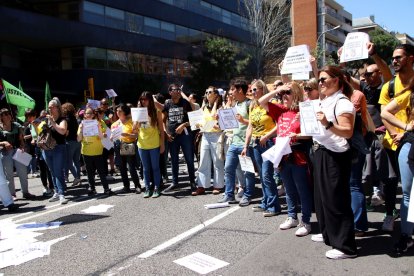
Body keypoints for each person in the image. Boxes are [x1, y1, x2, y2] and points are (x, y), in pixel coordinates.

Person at [311, 66, 357, 259]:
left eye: (324, 79)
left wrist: (327, 124)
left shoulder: (343, 102)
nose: (320, 83)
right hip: (322, 151)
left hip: (336, 154)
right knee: (322, 199)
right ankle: (329, 234)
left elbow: (347, 131)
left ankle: (346, 247)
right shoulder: (327, 100)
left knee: (336, 199)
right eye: (319, 80)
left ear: (337, 80)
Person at [259, 81, 313, 234]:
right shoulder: (280, 110)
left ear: (296, 94)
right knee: (288, 189)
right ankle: (292, 216)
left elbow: (311, 134)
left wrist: (297, 135)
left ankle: (306, 221)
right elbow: (261, 101)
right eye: (282, 94)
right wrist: (279, 89)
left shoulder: (303, 110)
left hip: (298, 154)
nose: (283, 96)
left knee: (302, 189)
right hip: (282, 155)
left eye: (287, 93)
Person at [378, 44, 414, 232]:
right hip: (392, 143)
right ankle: (390, 214)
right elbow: (385, 112)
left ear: (410, 58)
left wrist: (406, 133)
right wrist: (396, 133)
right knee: (391, 182)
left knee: (410, 189)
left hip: (408, 140)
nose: (395, 61)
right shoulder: (389, 86)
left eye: (399, 57)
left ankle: (409, 224)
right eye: (393, 58)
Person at [242, 79, 280, 216]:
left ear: (262, 90)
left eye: (255, 90)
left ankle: (274, 206)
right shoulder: (252, 105)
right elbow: (250, 127)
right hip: (256, 143)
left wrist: (267, 136)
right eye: (251, 90)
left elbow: (279, 124)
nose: (252, 92)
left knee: (266, 174)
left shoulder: (272, 104)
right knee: (263, 177)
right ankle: (265, 202)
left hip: (268, 143)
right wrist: (246, 146)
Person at [218, 79, 255, 206]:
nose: (231, 92)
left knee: (247, 172)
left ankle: (248, 195)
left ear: (240, 90)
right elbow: (228, 124)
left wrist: (243, 120)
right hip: (234, 143)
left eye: (233, 89)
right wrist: (221, 119)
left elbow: (253, 123)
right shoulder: (235, 105)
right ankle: (229, 195)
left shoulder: (249, 104)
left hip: (246, 144)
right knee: (228, 169)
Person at [162, 83, 196, 193]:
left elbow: (193, 119)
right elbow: (163, 120)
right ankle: (175, 183)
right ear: (170, 92)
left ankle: (192, 182)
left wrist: (183, 125)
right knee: (174, 160)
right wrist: (166, 133)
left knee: (189, 159)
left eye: (179, 90)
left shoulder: (185, 103)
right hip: (172, 137)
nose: (178, 91)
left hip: (185, 135)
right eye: (175, 90)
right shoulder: (167, 103)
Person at [192, 87, 224, 196]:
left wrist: (215, 104)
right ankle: (201, 186)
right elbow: (199, 119)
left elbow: (213, 117)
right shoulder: (204, 106)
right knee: (203, 161)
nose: (207, 94)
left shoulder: (221, 107)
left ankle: (218, 185)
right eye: (206, 92)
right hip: (205, 135)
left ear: (216, 94)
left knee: (217, 161)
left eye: (209, 92)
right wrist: (197, 123)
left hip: (216, 135)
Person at [77, 107, 113, 196]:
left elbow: (101, 137)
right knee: (90, 172)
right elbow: (78, 139)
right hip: (86, 152)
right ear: (84, 115)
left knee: (101, 171)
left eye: (90, 113)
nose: (88, 115)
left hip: (97, 151)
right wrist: (81, 129)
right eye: (86, 114)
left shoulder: (98, 123)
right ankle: (92, 188)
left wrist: (98, 128)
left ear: (93, 115)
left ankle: (106, 188)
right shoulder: (81, 124)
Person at [135, 92, 165, 198]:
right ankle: (147, 188)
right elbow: (135, 129)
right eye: (142, 99)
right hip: (142, 144)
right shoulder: (137, 112)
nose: (143, 101)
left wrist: (162, 144)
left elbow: (161, 130)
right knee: (146, 168)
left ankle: (157, 187)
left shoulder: (157, 112)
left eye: (146, 99)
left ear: (150, 100)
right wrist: (137, 116)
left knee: (155, 167)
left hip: (154, 144)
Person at [0, 108, 35, 199]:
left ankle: (26, 192)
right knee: (9, 174)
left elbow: (21, 139)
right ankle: (12, 194)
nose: (7, 116)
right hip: (5, 153)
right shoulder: (0, 127)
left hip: (17, 151)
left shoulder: (16, 125)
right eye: (4, 114)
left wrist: (23, 146)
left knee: (22, 172)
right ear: (1, 117)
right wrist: (3, 143)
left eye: (8, 114)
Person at [111, 104, 141, 193]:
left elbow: (137, 135)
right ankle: (126, 186)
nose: (117, 112)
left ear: (125, 112)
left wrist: (128, 135)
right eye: (117, 111)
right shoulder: (114, 124)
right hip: (118, 145)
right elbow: (113, 136)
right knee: (122, 167)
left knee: (131, 167)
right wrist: (111, 138)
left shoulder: (131, 122)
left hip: (129, 145)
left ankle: (137, 185)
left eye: (120, 111)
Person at [44, 97, 69, 204]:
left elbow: (63, 131)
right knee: (52, 172)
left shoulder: (62, 120)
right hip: (46, 149)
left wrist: (53, 122)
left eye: (52, 107)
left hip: (58, 148)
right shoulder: (46, 119)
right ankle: (57, 192)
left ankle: (62, 194)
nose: (49, 109)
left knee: (58, 171)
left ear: (57, 108)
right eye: (48, 107)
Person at [62, 102, 82, 187]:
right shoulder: (75, 119)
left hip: (69, 142)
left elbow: (66, 133)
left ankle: (76, 177)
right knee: (76, 161)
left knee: (68, 162)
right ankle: (78, 177)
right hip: (77, 142)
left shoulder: (66, 120)